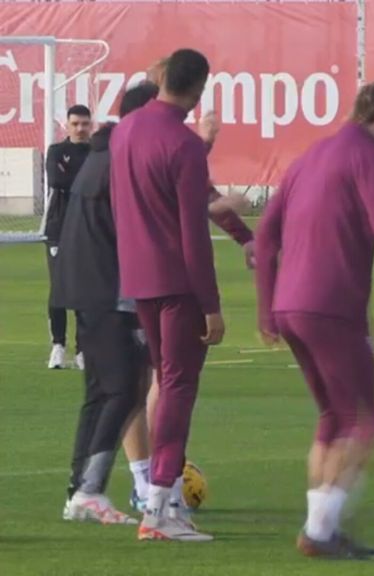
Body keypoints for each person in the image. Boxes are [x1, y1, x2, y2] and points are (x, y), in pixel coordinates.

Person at [255, 78, 374, 558]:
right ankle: (320, 531)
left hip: (291, 304)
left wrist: (266, 307)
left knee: (334, 416)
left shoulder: (309, 156)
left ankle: (322, 526)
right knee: (373, 418)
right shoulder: (369, 156)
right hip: (331, 304)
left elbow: (266, 237)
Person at [111, 48, 224, 542]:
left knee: (165, 382)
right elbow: (194, 235)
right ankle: (160, 507)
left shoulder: (125, 131)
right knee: (178, 387)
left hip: (137, 277)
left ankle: (162, 496)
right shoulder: (185, 145)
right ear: (199, 88)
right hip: (177, 282)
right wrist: (212, 305)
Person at [53, 83, 160, 525]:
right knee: (122, 389)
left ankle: (81, 490)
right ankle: (90, 488)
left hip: (84, 289)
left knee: (101, 392)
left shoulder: (102, 155)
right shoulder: (120, 161)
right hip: (107, 292)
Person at [44, 104, 92, 370]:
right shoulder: (57, 151)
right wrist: (87, 182)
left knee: (86, 291)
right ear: (68, 125)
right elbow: (56, 181)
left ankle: (82, 349)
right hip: (58, 229)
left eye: (85, 124)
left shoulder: (97, 151)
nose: (80, 129)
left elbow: (103, 181)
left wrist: (77, 180)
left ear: (90, 125)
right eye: (75, 124)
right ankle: (58, 346)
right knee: (58, 289)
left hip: (88, 230)